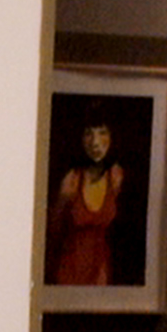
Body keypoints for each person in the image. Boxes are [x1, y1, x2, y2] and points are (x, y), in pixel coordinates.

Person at [50, 118, 123, 286]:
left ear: (112, 136)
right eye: (89, 134)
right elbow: (50, 231)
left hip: (101, 275)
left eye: (102, 133)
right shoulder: (72, 179)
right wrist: (62, 200)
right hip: (70, 274)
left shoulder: (116, 177)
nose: (95, 142)